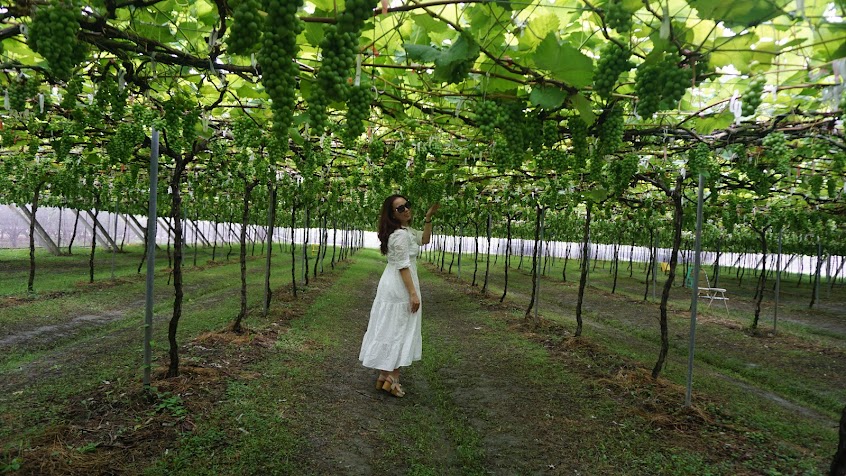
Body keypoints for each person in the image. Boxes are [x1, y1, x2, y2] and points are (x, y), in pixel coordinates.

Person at [359, 195, 439, 397]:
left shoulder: (404, 232)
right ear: (392, 214)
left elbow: (425, 239)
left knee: (391, 326)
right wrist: (413, 294)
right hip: (401, 285)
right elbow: (403, 265)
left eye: (407, 206)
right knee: (400, 328)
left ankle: (384, 376)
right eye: (400, 208)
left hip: (393, 282)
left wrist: (428, 218)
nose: (406, 210)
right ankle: (393, 378)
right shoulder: (401, 235)